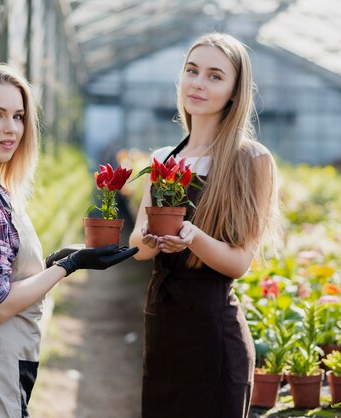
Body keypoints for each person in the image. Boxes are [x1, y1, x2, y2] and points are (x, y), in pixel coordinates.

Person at [0, 63, 137, 418]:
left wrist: (52, 262)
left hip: (0, 357)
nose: (11, 129)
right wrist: (68, 267)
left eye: (18, 116)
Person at [129, 33, 280, 418]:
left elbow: (239, 263)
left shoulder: (251, 161)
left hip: (213, 335)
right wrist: (151, 238)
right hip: (162, 324)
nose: (198, 83)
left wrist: (192, 237)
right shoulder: (164, 159)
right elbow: (139, 248)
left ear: (234, 92)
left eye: (215, 76)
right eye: (192, 71)